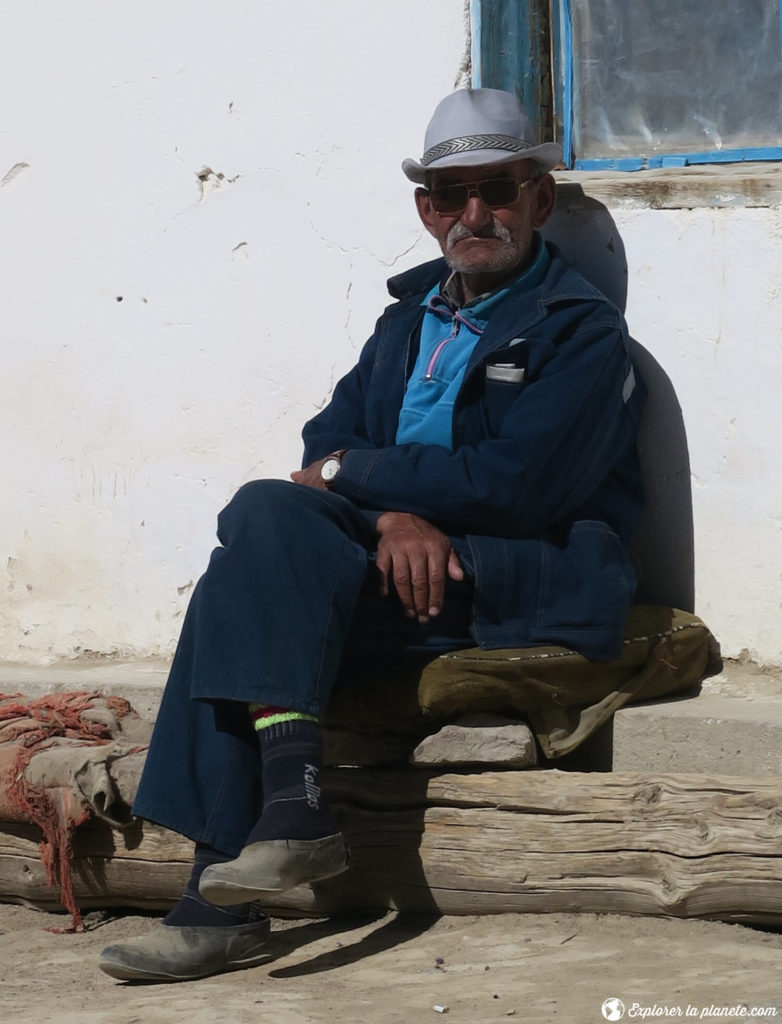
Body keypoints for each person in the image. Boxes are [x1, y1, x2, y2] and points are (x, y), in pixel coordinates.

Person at [99, 88, 644, 982]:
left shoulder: (580, 333)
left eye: (499, 190)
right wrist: (392, 516)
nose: (476, 214)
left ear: (538, 201)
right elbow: (323, 445)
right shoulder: (409, 317)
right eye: (451, 194)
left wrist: (362, 480)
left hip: (520, 575)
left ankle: (222, 891)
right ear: (427, 210)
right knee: (265, 520)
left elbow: (515, 487)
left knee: (240, 587)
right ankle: (290, 812)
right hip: (400, 563)